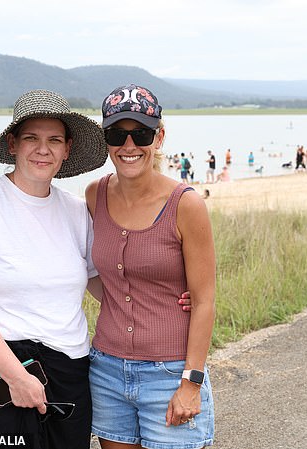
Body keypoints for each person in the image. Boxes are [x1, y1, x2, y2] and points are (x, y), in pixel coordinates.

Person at [0, 89, 109, 449]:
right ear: (12, 144)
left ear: (67, 149)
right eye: (31, 138)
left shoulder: (77, 212)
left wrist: (162, 301)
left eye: (54, 140)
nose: (43, 149)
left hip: (69, 370)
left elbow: (100, 285)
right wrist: (16, 377)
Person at [87, 84, 216, 449]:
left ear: (158, 137)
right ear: (105, 139)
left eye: (140, 133)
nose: (129, 146)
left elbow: (205, 301)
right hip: (107, 370)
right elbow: (105, 278)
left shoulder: (186, 205)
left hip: (170, 373)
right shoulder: (94, 194)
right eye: (117, 134)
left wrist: (191, 382)